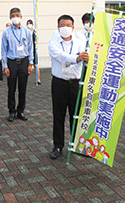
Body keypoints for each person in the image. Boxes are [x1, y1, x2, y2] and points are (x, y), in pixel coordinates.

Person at [48, 15, 89, 159]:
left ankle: (77, 144)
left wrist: (84, 57)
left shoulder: (81, 42)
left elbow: (86, 56)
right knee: (58, 116)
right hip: (59, 83)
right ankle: (58, 146)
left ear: (73, 27)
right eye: (62, 25)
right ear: (58, 28)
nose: (65, 28)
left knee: (76, 115)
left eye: (68, 25)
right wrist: (77, 58)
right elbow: (60, 56)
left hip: (76, 84)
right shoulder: (53, 43)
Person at [1, 8, 33, 122]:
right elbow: (3, 50)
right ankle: (11, 111)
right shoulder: (6, 33)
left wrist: (30, 63)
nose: (15, 17)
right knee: (11, 88)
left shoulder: (27, 32)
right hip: (12, 62)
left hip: (24, 62)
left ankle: (21, 111)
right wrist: (5, 66)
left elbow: (30, 48)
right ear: (10, 18)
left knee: (23, 88)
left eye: (17, 15)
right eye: (13, 15)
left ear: (21, 17)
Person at [26, 19, 41, 85]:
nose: (29, 25)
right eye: (28, 24)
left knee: (36, 65)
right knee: (26, 66)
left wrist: (36, 42)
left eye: (30, 23)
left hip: (34, 51)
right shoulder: (26, 32)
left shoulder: (35, 32)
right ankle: (25, 78)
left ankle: (38, 79)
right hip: (27, 50)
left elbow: (37, 40)